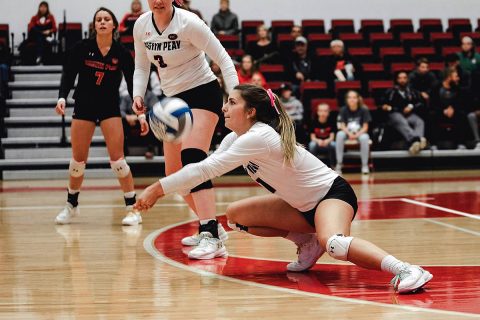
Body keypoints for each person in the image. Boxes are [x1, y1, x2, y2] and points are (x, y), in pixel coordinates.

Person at [134, 84, 433, 293]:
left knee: (335, 243)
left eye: (232, 103)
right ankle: (307, 242)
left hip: (332, 195)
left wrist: (157, 189)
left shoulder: (259, 136)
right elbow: (201, 171)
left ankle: (406, 269)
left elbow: (204, 170)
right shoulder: (237, 139)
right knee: (235, 216)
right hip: (301, 209)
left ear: (251, 112)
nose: (224, 108)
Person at [132, 0, 239, 259]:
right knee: (174, 175)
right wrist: (138, 94)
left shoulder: (188, 22)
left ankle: (211, 236)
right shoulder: (141, 25)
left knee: (193, 157)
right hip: (172, 102)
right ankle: (209, 224)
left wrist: (235, 98)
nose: (157, 1)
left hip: (203, 93)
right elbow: (142, 67)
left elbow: (224, 59)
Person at [54, 7, 141, 226]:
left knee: (118, 162)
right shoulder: (81, 48)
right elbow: (68, 75)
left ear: (113, 25)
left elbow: (132, 82)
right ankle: (71, 205)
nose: (102, 22)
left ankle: (133, 209)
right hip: (83, 106)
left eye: (106, 19)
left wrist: (138, 108)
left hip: (109, 108)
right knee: (77, 162)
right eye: (98, 19)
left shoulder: (121, 52)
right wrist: (62, 97)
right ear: (94, 25)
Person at [382, 71, 427, 155]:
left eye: (404, 78)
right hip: (395, 115)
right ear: (396, 80)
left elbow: (420, 103)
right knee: (400, 120)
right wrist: (395, 109)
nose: (402, 80)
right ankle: (414, 139)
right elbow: (384, 105)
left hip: (409, 115)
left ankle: (417, 143)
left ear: (407, 79)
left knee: (419, 121)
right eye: (400, 78)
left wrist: (411, 107)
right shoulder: (390, 92)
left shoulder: (412, 92)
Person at [335, 90, 371, 175]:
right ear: (347, 99)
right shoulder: (343, 109)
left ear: (358, 99)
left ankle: (364, 165)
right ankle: (339, 164)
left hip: (360, 133)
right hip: (347, 133)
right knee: (339, 134)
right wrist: (349, 134)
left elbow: (365, 127)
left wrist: (356, 135)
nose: (352, 99)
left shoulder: (364, 110)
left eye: (354, 97)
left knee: (365, 137)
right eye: (350, 97)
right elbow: (342, 126)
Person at [432, 67, 468, 149]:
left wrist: (453, 108)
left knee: (462, 115)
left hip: (454, 112)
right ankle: (433, 143)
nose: (458, 79)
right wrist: (443, 110)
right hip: (440, 112)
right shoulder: (436, 88)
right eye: (456, 76)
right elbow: (433, 104)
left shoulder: (458, 89)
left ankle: (461, 143)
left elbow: (461, 103)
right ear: (449, 77)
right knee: (432, 116)